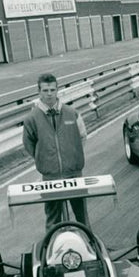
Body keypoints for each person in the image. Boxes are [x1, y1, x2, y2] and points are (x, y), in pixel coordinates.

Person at [22, 73, 89, 229]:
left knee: (82, 217)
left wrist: (72, 156)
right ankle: (53, 248)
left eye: (52, 89)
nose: (49, 94)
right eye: (45, 90)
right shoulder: (31, 119)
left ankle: (88, 246)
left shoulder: (72, 113)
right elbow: (28, 145)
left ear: (57, 90)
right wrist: (45, 159)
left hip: (74, 173)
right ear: (39, 92)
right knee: (53, 219)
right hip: (50, 177)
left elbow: (82, 136)